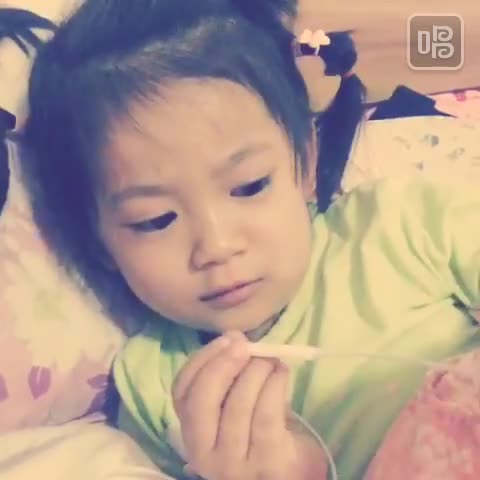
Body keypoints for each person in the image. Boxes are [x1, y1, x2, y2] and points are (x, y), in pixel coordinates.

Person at [21, 0, 480, 479]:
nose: (217, 247)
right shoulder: (153, 386)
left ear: (305, 162)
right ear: (99, 243)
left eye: (250, 186)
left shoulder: (400, 226)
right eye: (155, 220)